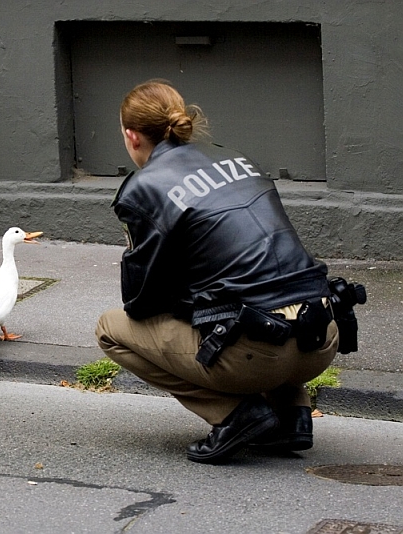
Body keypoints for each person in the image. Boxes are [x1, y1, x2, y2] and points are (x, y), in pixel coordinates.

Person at [95, 80, 340, 464]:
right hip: (320, 336)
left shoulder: (143, 188)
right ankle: (293, 416)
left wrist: (183, 295)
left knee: (110, 329)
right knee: (256, 297)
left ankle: (235, 415)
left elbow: (140, 301)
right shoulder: (236, 158)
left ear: (131, 136)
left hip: (255, 356)